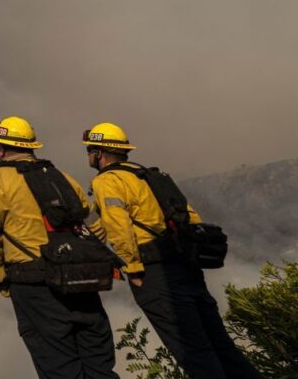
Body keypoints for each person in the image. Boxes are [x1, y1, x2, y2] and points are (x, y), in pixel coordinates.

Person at [83, 122, 261, 379]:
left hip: (155, 273)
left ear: (99, 153)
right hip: (186, 265)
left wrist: (133, 271)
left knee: (195, 354)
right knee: (222, 347)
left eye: (90, 149)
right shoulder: (149, 176)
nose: (88, 154)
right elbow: (190, 216)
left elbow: (119, 229)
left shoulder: (107, 182)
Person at [0, 116, 118, 379]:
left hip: (33, 283)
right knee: (98, 362)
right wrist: (84, 261)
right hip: (79, 279)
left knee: (58, 364)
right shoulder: (60, 176)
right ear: (31, 147)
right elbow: (96, 225)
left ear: (1, 149)